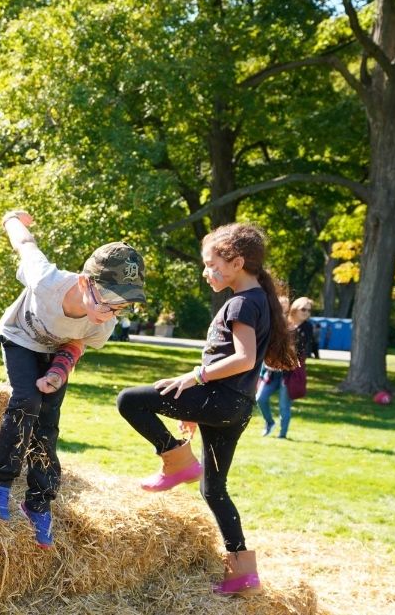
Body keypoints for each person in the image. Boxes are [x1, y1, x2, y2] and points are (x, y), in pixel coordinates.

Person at [116, 223, 295, 596]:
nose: (206, 271)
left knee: (130, 400)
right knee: (214, 490)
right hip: (234, 408)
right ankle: (242, 571)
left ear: (237, 263)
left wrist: (196, 378)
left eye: (212, 264)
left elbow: (244, 360)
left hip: (222, 400)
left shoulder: (243, 302)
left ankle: (176, 460)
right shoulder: (255, 298)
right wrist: (198, 410)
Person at [0, 210, 147, 549]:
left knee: (48, 421)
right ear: (85, 282)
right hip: (20, 338)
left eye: (123, 305)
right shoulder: (47, 281)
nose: (112, 311)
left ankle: (39, 500)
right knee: (26, 400)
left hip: (57, 352)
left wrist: (58, 372)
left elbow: (76, 343)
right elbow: (26, 244)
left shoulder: (104, 322)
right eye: (108, 299)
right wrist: (13, 219)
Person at [258, 297, 318, 438]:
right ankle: (269, 422)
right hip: (273, 370)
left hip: (290, 372)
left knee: (284, 405)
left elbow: (302, 349)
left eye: (309, 310)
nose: (307, 313)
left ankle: (282, 434)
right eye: (304, 309)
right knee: (260, 398)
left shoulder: (307, 327)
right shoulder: (283, 322)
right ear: (295, 308)